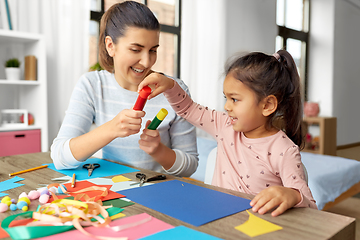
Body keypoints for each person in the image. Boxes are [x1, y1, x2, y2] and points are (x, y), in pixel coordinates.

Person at [138, 50, 318, 216]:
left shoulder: (284, 150)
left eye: (235, 99)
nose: (226, 106)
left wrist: (293, 195)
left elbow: (311, 205)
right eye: (226, 98)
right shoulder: (224, 125)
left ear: (267, 105)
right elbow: (188, 109)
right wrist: (170, 85)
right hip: (216, 217)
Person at [50, 1, 198, 177]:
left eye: (153, 50)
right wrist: (111, 128)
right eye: (136, 50)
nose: (146, 62)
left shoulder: (175, 90)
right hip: (112, 188)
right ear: (110, 46)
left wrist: (159, 151)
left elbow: (191, 166)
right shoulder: (92, 85)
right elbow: (59, 157)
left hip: (159, 189)